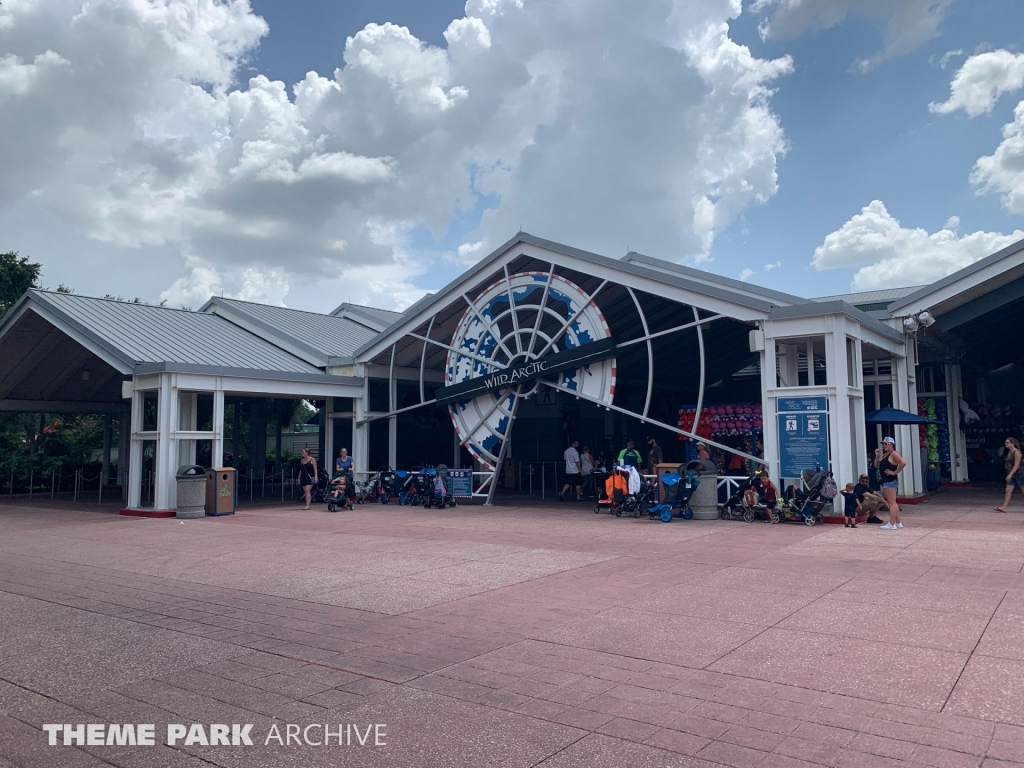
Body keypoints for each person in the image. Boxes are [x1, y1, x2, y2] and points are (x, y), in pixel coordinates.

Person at [875, 437, 906, 530]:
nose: (883, 446)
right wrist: (877, 456)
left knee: (891, 503)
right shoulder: (885, 454)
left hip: (889, 481)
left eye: (885, 444)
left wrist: (895, 472)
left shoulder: (894, 453)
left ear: (891, 444)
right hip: (885, 480)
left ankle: (892, 523)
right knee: (894, 503)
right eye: (883, 444)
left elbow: (903, 462)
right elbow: (876, 465)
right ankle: (898, 522)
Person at [996, 437, 1024, 512]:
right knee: (1008, 490)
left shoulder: (1017, 452)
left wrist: (1010, 474)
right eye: (1006, 442)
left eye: (1007, 442)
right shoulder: (1009, 452)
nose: (1006, 444)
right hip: (1011, 474)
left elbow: (1017, 465)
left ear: (1012, 443)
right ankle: (1004, 507)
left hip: (1019, 474)